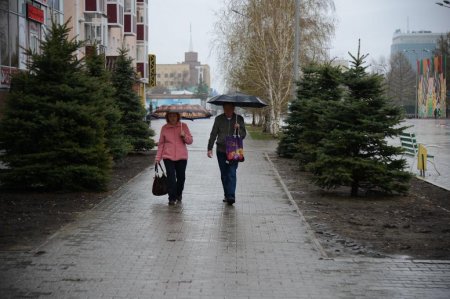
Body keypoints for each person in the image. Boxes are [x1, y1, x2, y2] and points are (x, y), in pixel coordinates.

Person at [207, 103, 247, 205]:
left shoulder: (239, 119)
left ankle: (231, 196)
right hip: (221, 150)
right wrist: (209, 148)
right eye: (225, 108)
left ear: (233, 108)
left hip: (234, 151)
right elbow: (213, 133)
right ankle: (227, 194)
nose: (227, 110)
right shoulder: (219, 119)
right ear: (223, 108)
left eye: (230, 108)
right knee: (224, 174)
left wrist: (238, 129)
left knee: (232, 173)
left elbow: (243, 135)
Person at [155, 111, 193, 205]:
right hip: (168, 156)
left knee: (181, 178)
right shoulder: (164, 128)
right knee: (171, 178)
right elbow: (161, 144)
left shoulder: (183, 126)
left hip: (181, 157)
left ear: (178, 116)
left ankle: (178, 194)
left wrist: (184, 136)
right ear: (167, 117)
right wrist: (158, 158)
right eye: (170, 116)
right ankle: (171, 198)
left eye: (174, 115)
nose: (172, 117)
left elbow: (190, 141)